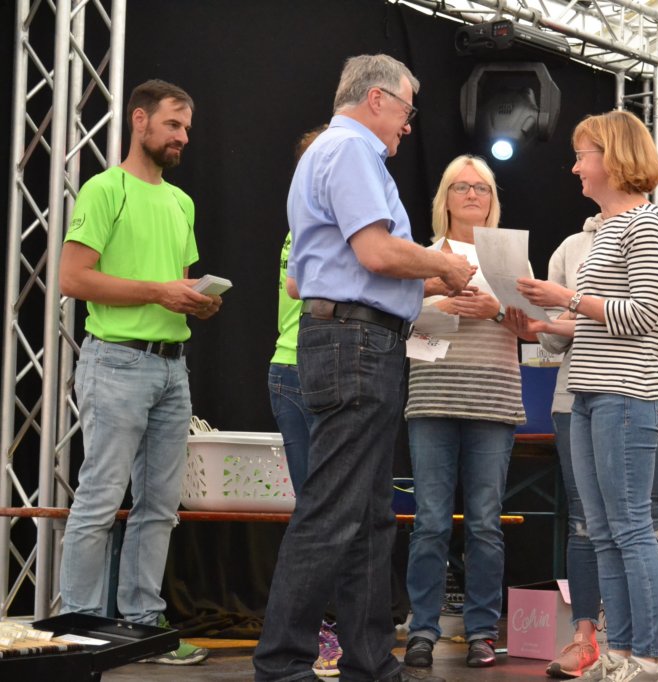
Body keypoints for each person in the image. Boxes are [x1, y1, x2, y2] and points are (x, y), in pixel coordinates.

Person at [252, 54, 474, 682]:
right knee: (333, 509)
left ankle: (372, 664)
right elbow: (375, 253)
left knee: (370, 515)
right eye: (406, 108)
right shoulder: (350, 151)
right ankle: (282, 665)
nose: (409, 124)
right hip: (354, 344)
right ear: (377, 99)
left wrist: (431, 282)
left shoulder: (330, 153)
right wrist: (443, 264)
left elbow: (335, 272)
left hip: (354, 338)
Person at [58, 79, 219, 665]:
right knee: (99, 500)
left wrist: (199, 301)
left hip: (173, 368)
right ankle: (80, 631)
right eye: (173, 124)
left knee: (160, 508)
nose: (183, 137)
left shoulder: (181, 202)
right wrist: (159, 291)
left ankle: (142, 625)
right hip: (116, 361)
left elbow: (178, 283)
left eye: (187, 129)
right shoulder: (105, 189)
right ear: (139, 120)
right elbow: (73, 278)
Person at [517, 110, 658, 682]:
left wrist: (566, 298)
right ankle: (619, 651)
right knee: (604, 531)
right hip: (586, 391)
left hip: (627, 394)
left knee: (630, 525)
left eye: (583, 155)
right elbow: (599, 322)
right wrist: (540, 323)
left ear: (613, 158)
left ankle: (648, 658)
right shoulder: (606, 229)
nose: (575, 167)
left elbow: (647, 316)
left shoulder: (646, 227)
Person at [528, 213, 658, 681]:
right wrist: (534, 319)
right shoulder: (571, 246)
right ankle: (594, 642)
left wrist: (590, 310)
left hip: (645, 393)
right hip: (576, 398)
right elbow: (549, 340)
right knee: (588, 523)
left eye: (585, 167)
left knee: (650, 520)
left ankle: (656, 645)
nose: (577, 175)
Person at [403, 155, 531, 670]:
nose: (472, 194)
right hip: (432, 399)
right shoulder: (422, 256)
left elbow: (534, 329)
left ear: (492, 198)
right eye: (461, 187)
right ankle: (422, 630)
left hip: (493, 401)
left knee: (484, 524)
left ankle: (481, 632)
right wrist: (438, 307)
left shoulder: (511, 258)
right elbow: (392, 317)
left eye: (481, 187)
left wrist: (494, 311)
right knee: (430, 522)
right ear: (446, 199)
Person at [267, 125, 342, 678]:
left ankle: (327, 627)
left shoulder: (330, 223)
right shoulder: (311, 226)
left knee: (333, 510)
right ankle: (310, 632)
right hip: (298, 371)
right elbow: (304, 288)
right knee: (317, 510)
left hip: (321, 371)